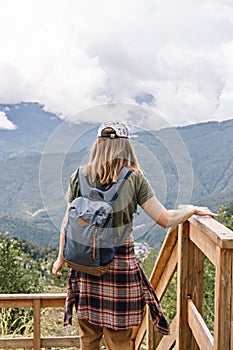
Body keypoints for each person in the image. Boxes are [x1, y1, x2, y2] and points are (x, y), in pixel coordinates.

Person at [52, 121, 216, 350]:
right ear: (126, 146)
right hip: (118, 267)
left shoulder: (79, 175)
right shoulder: (134, 179)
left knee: (88, 338)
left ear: (98, 144)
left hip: (83, 264)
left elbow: (67, 221)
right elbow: (165, 219)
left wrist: (61, 257)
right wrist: (191, 210)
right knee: (119, 341)